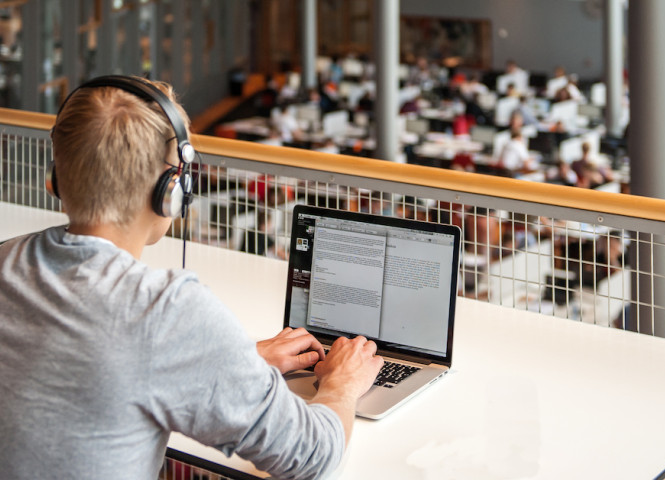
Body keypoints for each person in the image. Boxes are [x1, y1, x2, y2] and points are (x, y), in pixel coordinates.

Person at [0, 75, 383, 479]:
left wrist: (228, 364)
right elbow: (312, 456)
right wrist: (342, 383)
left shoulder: (7, 261)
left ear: (56, 179)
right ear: (172, 189)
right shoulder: (164, 312)